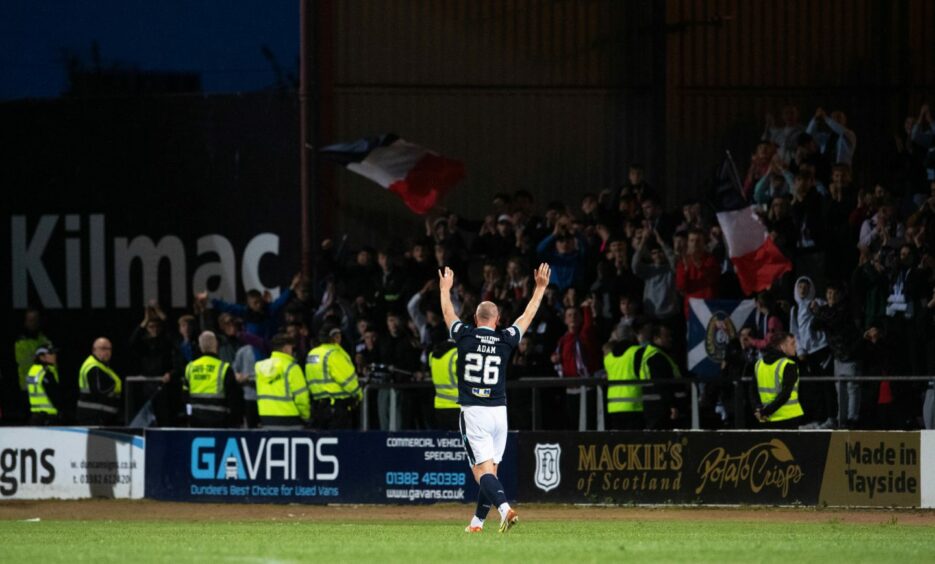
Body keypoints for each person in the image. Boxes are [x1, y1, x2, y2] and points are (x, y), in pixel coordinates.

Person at [439, 262, 550, 534]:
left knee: (482, 474)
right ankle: (477, 523)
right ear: (497, 320)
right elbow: (527, 316)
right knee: (492, 474)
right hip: (499, 413)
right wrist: (539, 289)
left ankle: (505, 510)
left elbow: (447, 312)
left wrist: (445, 289)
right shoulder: (505, 339)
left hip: (474, 413)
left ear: (476, 320)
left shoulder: (464, 335)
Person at [306, 324, 362, 430]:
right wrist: (358, 394)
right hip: (336, 407)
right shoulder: (334, 354)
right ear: (335, 337)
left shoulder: (312, 354)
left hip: (318, 407)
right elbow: (348, 381)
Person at [183, 331, 244, 428]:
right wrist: (235, 422)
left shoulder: (190, 367)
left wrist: (189, 417)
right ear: (216, 344)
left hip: (196, 420)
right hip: (220, 421)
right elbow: (234, 399)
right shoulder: (224, 368)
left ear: (200, 347)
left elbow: (185, 397)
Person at [750, 332, 805, 429]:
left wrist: (758, 410)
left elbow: (752, 391)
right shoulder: (789, 365)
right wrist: (766, 412)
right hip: (788, 417)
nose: (795, 346)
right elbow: (785, 394)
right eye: (792, 343)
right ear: (782, 346)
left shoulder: (759, 364)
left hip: (766, 419)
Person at [254, 334, 310, 429]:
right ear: (286, 348)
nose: (293, 351)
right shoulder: (292, 368)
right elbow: (301, 398)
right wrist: (306, 417)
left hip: (266, 419)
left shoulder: (259, 367)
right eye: (292, 348)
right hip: (291, 420)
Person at [639, 324, 683, 430]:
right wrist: (672, 406)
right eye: (666, 336)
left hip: (655, 406)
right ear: (656, 338)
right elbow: (662, 384)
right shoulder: (656, 357)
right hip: (660, 408)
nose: (670, 339)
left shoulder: (656, 354)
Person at [76, 338, 122, 426]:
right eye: (103, 348)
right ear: (94, 350)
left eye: (109, 349)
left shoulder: (102, 366)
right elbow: (100, 390)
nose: (107, 352)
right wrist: (112, 384)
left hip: (101, 416)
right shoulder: (93, 367)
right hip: (94, 417)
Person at [603, 339, 645, 430]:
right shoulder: (635, 352)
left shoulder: (608, 359)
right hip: (634, 406)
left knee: (619, 440)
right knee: (634, 441)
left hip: (613, 406)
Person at [26, 344, 63, 426]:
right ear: (42, 357)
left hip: (35, 415)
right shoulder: (46, 373)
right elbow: (55, 395)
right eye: (50, 353)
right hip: (48, 417)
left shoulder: (33, 370)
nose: (54, 355)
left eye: (54, 353)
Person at [428, 337, 460, 430]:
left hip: (439, 405)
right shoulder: (457, 354)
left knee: (445, 441)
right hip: (458, 406)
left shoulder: (433, 354)